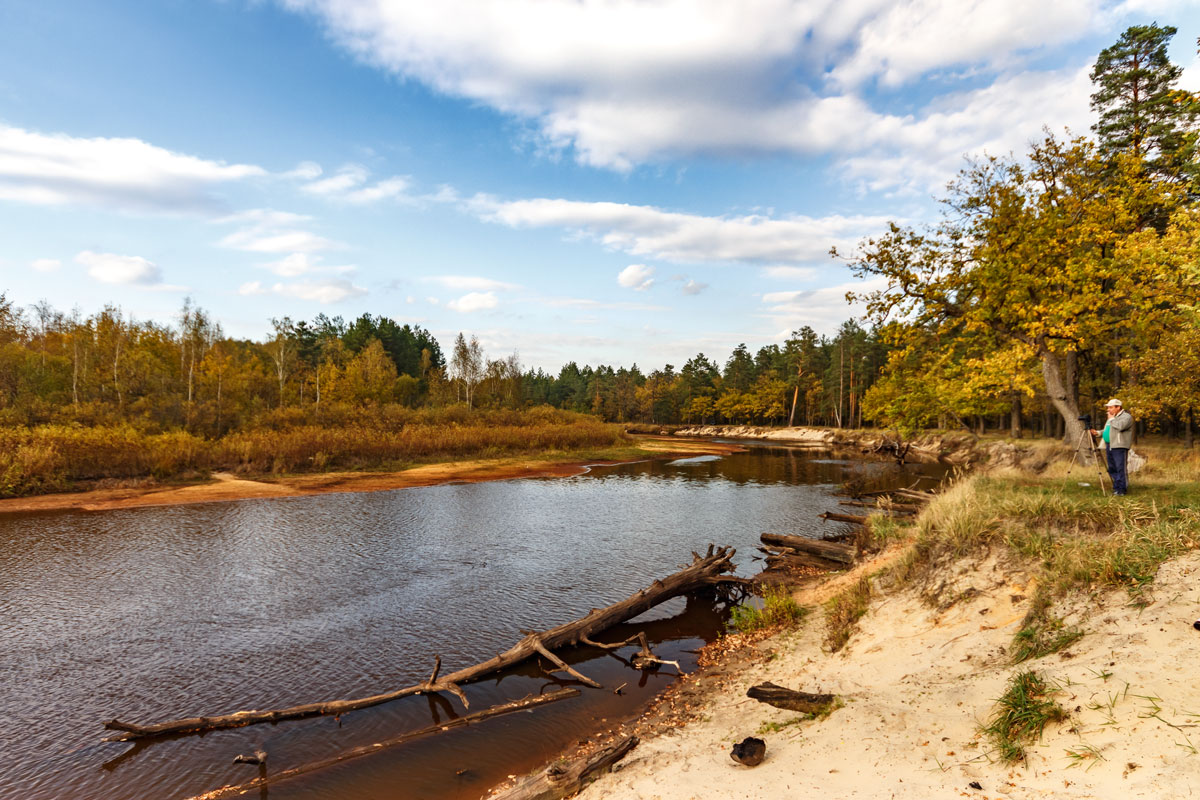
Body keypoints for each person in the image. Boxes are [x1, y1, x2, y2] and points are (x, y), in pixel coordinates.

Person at [1090, 398, 1133, 496]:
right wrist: (1098, 433)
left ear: (1118, 407)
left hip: (1119, 446)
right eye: (1108, 407)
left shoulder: (1126, 417)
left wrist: (1111, 419)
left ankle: (1122, 489)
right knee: (1112, 468)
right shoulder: (1112, 418)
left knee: (1120, 467)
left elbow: (1120, 426)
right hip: (1109, 445)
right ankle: (1116, 487)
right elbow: (1108, 430)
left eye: (1111, 407)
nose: (1108, 410)